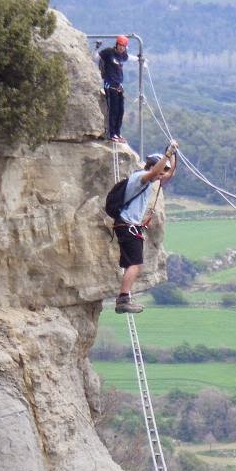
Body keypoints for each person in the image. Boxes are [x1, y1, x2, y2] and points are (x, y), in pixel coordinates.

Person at [114, 142, 177, 313]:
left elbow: (169, 174)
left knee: (134, 263)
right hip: (128, 226)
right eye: (160, 171)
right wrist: (167, 155)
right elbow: (156, 172)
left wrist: (173, 155)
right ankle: (123, 299)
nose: (160, 177)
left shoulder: (147, 180)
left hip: (128, 226)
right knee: (135, 264)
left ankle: (124, 298)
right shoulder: (140, 178)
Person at [99, 34, 129, 142]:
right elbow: (96, 57)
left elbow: (129, 58)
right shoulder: (108, 53)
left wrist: (140, 59)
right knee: (113, 110)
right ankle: (112, 134)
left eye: (123, 46)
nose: (121, 48)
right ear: (116, 44)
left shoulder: (123, 55)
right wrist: (97, 47)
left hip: (118, 86)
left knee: (120, 111)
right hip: (109, 85)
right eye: (120, 45)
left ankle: (117, 132)